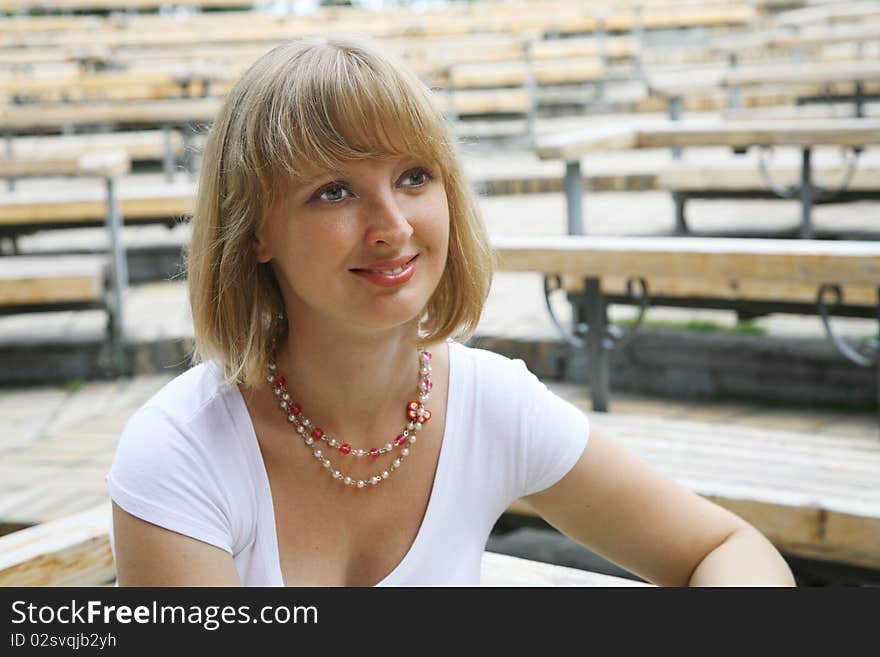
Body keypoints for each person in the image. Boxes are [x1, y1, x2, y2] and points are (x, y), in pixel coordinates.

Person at [106, 36, 795, 587]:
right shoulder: (180, 452)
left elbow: (728, 546)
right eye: (335, 191)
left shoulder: (490, 401)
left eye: (414, 176)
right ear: (255, 231)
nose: (393, 226)